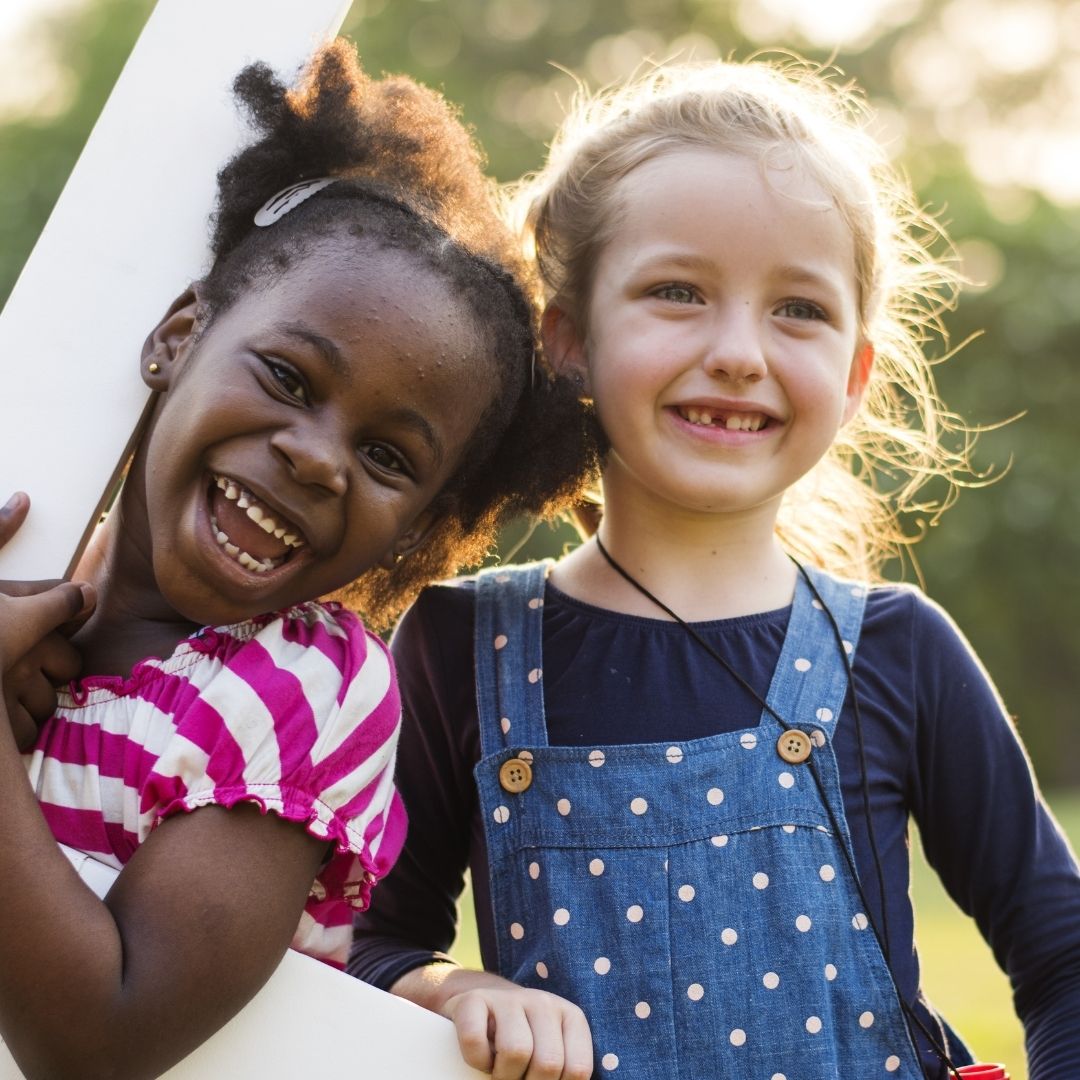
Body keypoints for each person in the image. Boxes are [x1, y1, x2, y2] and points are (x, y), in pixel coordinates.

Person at [349, 56, 1080, 1080]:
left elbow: (1064, 959)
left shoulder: (897, 653)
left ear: (856, 374)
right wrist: (451, 987)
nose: (740, 350)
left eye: (799, 310)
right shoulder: (455, 647)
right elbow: (366, 951)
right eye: (678, 291)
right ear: (569, 342)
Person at [0, 40, 594, 1079]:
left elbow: (99, 1038)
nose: (317, 460)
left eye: (386, 456)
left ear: (420, 526)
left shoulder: (302, 689)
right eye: (285, 376)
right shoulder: (35, 571)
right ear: (180, 336)